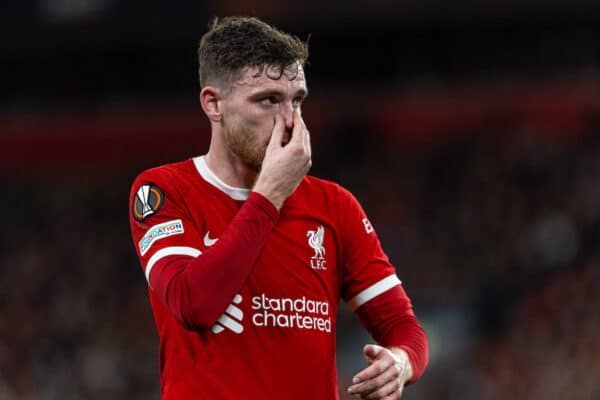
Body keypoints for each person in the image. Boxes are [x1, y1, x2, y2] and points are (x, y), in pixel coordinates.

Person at [129, 16, 428, 400]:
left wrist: (400, 363)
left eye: (297, 100)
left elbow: (403, 326)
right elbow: (193, 304)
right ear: (214, 104)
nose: (290, 120)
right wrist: (270, 194)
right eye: (268, 100)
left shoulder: (335, 206)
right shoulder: (164, 190)